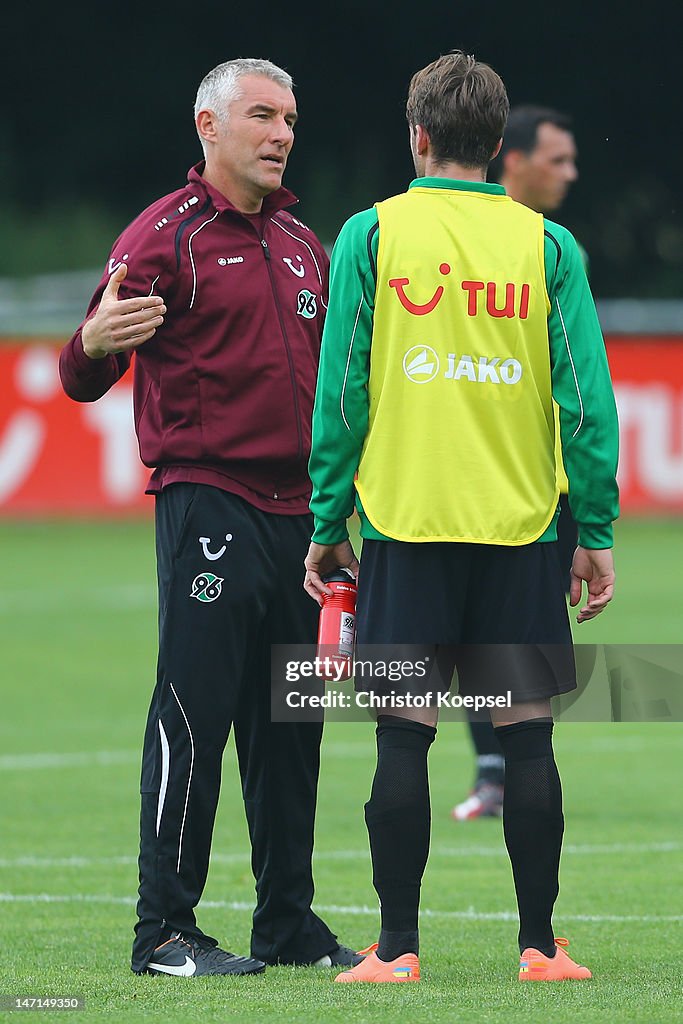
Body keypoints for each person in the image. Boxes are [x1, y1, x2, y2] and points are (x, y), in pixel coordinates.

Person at [304, 52, 618, 983]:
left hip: (404, 521)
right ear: (497, 142)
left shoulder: (370, 235)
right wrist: (592, 530)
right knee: (526, 733)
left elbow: (343, 390)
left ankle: (395, 949)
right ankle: (538, 947)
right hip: (521, 526)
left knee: (403, 733)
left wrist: (328, 517)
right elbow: (585, 403)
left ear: (419, 135)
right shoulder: (546, 248)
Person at [59, 58, 363, 977]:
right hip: (211, 502)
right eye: (263, 117)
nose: (281, 135)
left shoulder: (309, 246)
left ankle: (287, 925)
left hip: (301, 518)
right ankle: (164, 932)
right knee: (195, 713)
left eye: (291, 120)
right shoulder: (165, 237)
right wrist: (91, 343)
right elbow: (81, 372)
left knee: (293, 727)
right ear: (208, 125)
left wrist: (337, 514)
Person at [453, 105, 581, 822]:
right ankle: (496, 769)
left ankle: (505, 770)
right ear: (511, 159)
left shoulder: (556, 251)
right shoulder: (454, 243)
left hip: (537, 487)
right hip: (468, 482)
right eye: (556, 160)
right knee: (470, 640)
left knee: (508, 651)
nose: (568, 174)